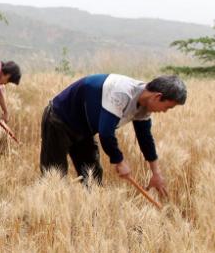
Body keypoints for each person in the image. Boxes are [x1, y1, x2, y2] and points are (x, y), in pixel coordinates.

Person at [40, 74, 186, 195]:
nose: (165, 111)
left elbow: (145, 139)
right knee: (54, 176)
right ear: (157, 97)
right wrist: (119, 161)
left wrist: (156, 173)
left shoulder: (145, 106)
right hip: (58, 119)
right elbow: (106, 133)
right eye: (167, 107)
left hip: (85, 128)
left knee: (93, 177)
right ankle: (49, 218)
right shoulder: (122, 92)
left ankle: (92, 221)